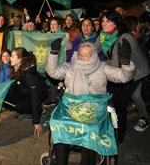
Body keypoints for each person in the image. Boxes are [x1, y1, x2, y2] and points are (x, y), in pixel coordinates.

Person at [46, 40, 135, 165]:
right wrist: (53, 53)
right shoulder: (70, 66)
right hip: (71, 110)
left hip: (94, 112)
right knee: (58, 124)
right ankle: (60, 161)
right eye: (80, 54)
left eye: (86, 55)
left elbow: (123, 76)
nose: (82, 57)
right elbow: (53, 72)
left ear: (93, 55)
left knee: (90, 129)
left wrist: (125, 63)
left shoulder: (102, 67)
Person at [98, 10, 150, 142]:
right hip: (123, 72)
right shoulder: (104, 36)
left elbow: (116, 66)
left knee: (121, 100)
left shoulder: (124, 38)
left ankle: (120, 134)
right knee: (133, 96)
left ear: (116, 23)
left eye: (108, 21)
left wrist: (97, 66)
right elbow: (94, 48)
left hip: (136, 72)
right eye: (103, 21)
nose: (104, 23)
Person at [5, 47, 48, 136]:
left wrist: (36, 122)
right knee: (5, 98)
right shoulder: (18, 67)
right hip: (25, 92)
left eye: (12, 56)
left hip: (38, 95)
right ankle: (27, 109)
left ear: (20, 59)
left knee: (19, 106)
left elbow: (35, 98)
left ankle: (41, 111)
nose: (10, 58)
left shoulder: (30, 75)